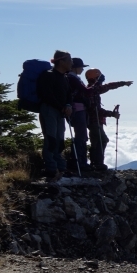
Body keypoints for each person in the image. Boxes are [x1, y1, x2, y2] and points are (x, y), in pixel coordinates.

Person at [83, 67, 133, 171]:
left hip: (92, 120)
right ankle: (97, 164)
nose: (102, 82)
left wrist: (123, 83)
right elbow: (95, 110)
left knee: (96, 141)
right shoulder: (93, 90)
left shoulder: (91, 90)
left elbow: (108, 86)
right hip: (94, 120)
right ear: (96, 78)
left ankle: (95, 163)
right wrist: (111, 114)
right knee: (102, 140)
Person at [35, 50, 73, 181]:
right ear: (61, 61)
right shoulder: (48, 75)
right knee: (51, 139)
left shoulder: (64, 77)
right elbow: (46, 95)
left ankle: (60, 168)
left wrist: (68, 105)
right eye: (69, 60)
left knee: (59, 140)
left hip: (59, 111)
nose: (71, 63)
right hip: (49, 110)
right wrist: (63, 107)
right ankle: (51, 169)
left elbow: (68, 94)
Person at [65, 57, 91, 172]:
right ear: (75, 67)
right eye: (81, 67)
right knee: (81, 136)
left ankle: (78, 161)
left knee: (81, 136)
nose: (82, 69)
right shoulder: (72, 78)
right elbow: (86, 91)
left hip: (75, 110)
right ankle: (79, 163)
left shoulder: (70, 77)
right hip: (77, 110)